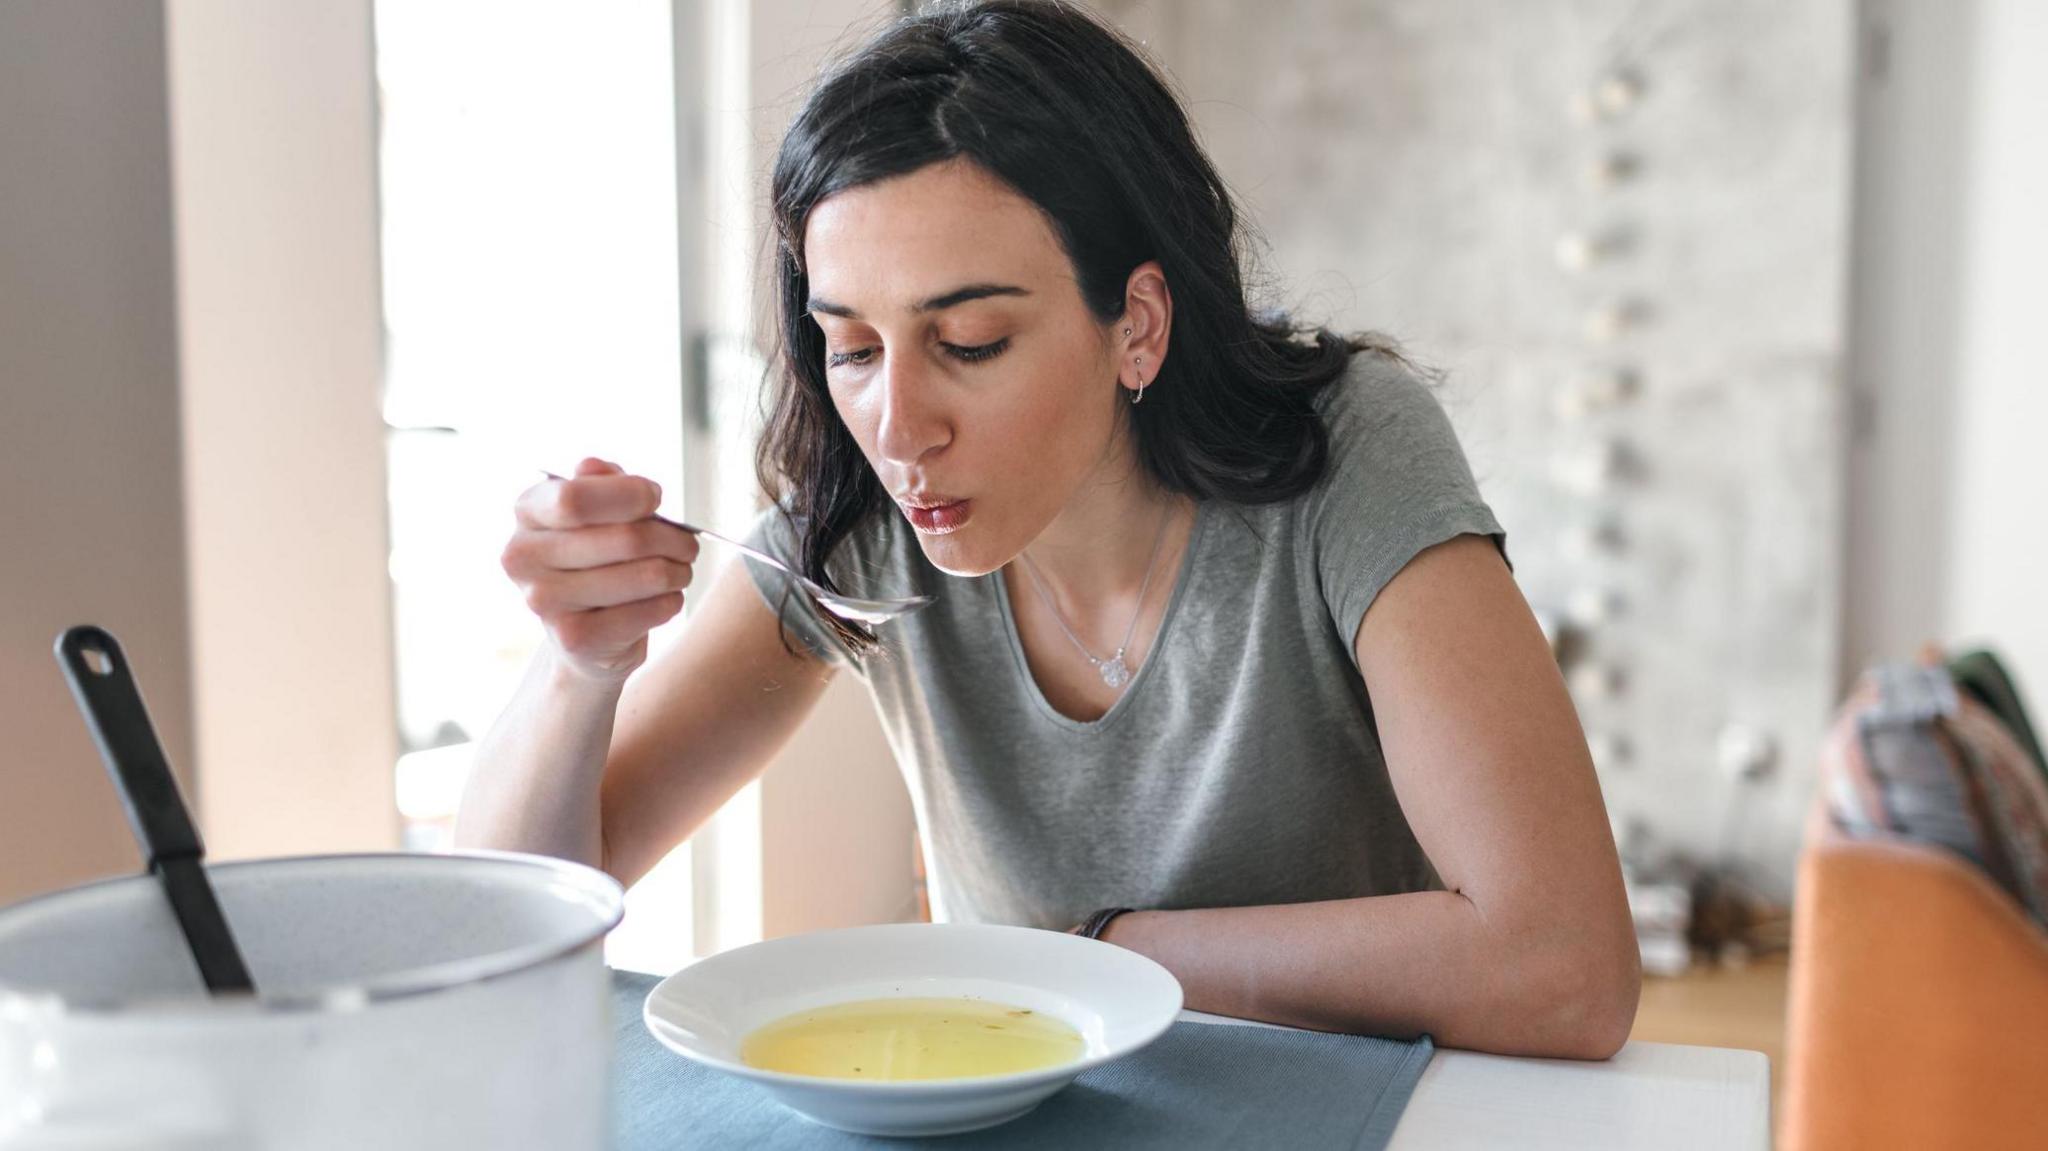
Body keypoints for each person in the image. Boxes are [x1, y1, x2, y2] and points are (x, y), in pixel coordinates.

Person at [459, 0, 1639, 1059]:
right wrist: (579, 668)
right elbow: (520, 921)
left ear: (1134, 322)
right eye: (852, 347)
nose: (897, 426)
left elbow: (1561, 970)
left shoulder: (1346, 452)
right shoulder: (857, 529)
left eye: (968, 341)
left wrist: (1108, 951)